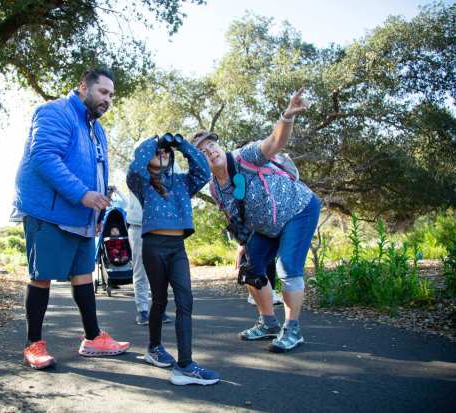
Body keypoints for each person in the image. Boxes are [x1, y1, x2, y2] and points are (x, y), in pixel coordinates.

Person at [12, 68, 130, 369]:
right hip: (48, 212)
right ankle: (33, 344)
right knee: (41, 275)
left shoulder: (96, 129)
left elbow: (98, 173)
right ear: (82, 87)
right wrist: (83, 194)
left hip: (83, 216)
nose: (107, 99)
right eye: (103, 92)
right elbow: (44, 157)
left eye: (111, 95)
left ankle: (93, 338)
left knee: (83, 274)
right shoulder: (55, 112)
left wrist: (100, 209)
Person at [193, 88, 321, 353]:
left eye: (212, 145)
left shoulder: (244, 157)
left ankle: (292, 329)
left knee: (287, 269)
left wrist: (287, 117)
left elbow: (274, 142)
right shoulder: (215, 188)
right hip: (264, 227)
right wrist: (243, 245)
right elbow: (235, 216)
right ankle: (268, 323)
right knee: (250, 269)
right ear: (199, 161)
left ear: (220, 146)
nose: (211, 152)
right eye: (203, 152)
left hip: (298, 211)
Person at [127, 133, 219, 386]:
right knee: (159, 300)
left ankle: (186, 365)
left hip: (177, 248)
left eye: (166, 152)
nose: (163, 153)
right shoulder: (142, 182)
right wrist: (155, 142)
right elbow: (136, 165)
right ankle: (154, 347)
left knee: (185, 300)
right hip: (153, 247)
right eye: (158, 152)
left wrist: (181, 144)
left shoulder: (181, 182)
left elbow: (203, 170)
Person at [126, 191, 172, 325]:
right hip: (138, 225)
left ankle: (159, 308)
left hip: (160, 225)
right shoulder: (135, 170)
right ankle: (142, 311)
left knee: (161, 270)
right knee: (141, 270)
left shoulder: (170, 169)